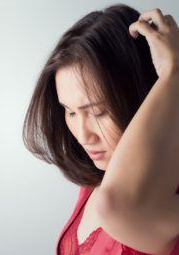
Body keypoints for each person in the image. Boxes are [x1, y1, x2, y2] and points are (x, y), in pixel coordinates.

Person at [22, 3, 179, 255]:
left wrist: (173, 72)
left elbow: (115, 205)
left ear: (143, 95)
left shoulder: (141, 203)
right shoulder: (97, 177)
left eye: (98, 112)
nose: (84, 136)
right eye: (70, 112)